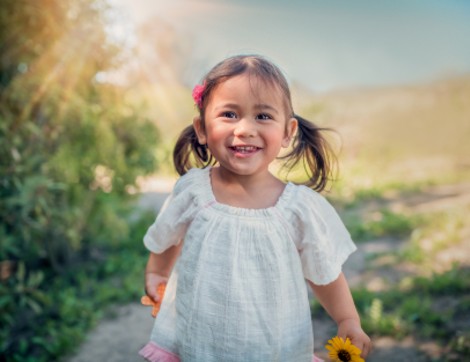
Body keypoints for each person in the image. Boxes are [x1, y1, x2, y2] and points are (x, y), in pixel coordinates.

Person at [139, 54, 371, 362]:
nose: (245, 129)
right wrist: (157, 272)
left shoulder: (297, 208)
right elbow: (168, 234)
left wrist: (347, 319)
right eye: (230, 114)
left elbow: (324, 270)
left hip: (273, 345)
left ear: (288, 132)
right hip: (201, 341)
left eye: (262, 116)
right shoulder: (194, 191)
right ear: (202, 128)